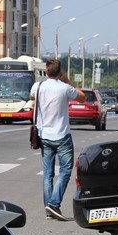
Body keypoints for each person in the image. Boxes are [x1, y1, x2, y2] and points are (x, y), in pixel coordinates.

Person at [29, 59, 85, 221]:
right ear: (60, 73)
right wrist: (67, 80)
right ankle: (54, 204)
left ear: (46, 72)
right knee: (66, 171)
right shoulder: (65, 88)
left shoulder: (38, 86)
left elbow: (31, 96)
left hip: (44, 135)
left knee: (47, 174)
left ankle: (49, 210)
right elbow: (82, 97)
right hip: (62, 136)